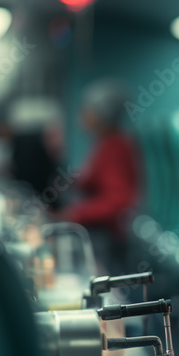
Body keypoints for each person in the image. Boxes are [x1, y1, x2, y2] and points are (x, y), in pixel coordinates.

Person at [58, 79, 140, 271]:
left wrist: (74, 214)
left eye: (87, 110)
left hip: (107, 237)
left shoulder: (115, 146)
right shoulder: (105, 143)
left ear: (102, 114)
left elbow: (118, 200)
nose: (82, 115)